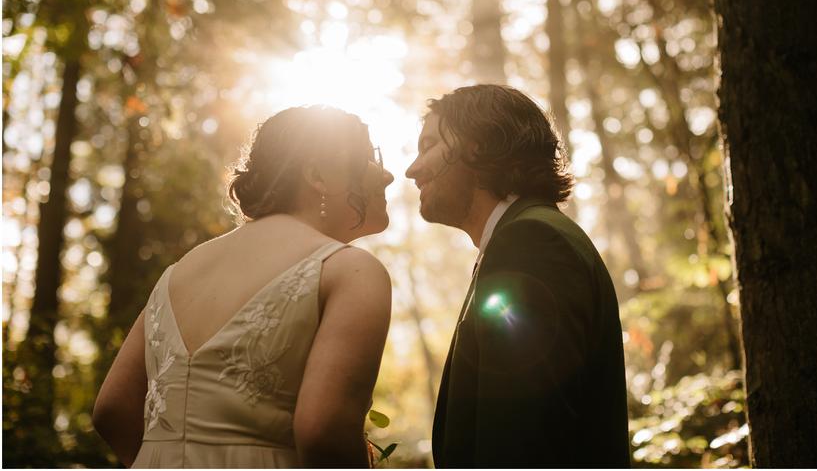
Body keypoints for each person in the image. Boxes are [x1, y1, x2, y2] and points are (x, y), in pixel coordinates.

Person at [94, 106, 394, 468]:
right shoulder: (351, 270)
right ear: (317, 175)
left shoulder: (178, 272)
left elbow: (111, 410)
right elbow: (323, 432)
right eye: (369, 157)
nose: (388, 175)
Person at [406, 85, 630, 468]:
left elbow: (524, 436)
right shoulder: (521, 238)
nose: (413, 168)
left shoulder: (531, 243)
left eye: (428, 146)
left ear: (476, 146)